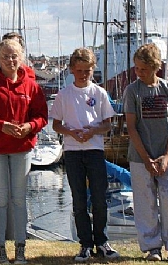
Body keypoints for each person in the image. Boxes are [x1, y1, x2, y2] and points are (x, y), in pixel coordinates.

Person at [0, 38, 48, 264]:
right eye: (5, 56)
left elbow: (42, 116)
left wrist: (29, 127)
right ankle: (0, 248)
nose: (10, 60)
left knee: (20, 199)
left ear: (21, 57)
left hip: (22, 149)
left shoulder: (32, 86)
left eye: (14, 56)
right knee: (1, 199)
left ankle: (21, 248)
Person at [50, 47, 119, 262]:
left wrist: (92, 131)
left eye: (87, 70)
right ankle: (85, 243)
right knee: (79, 199)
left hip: (94, 150)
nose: (83, 74)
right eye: (79, 70)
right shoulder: (64, 94)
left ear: (93, 70)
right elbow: (56, 125)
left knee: (99, 198)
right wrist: (71, 132)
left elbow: (108, 124)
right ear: (72, 70)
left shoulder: (99, 93)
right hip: (72, 151)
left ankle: (102, 240)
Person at [123, 43, 168, 262]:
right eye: (137, 69)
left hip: (167, 156)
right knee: (145, 202)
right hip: (140, 157)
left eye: (143, 69)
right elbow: (132, 126)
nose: (139, 73)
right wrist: (146, 158)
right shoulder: (132, 91)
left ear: (155, 67)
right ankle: (152, 247)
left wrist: (166, 156)